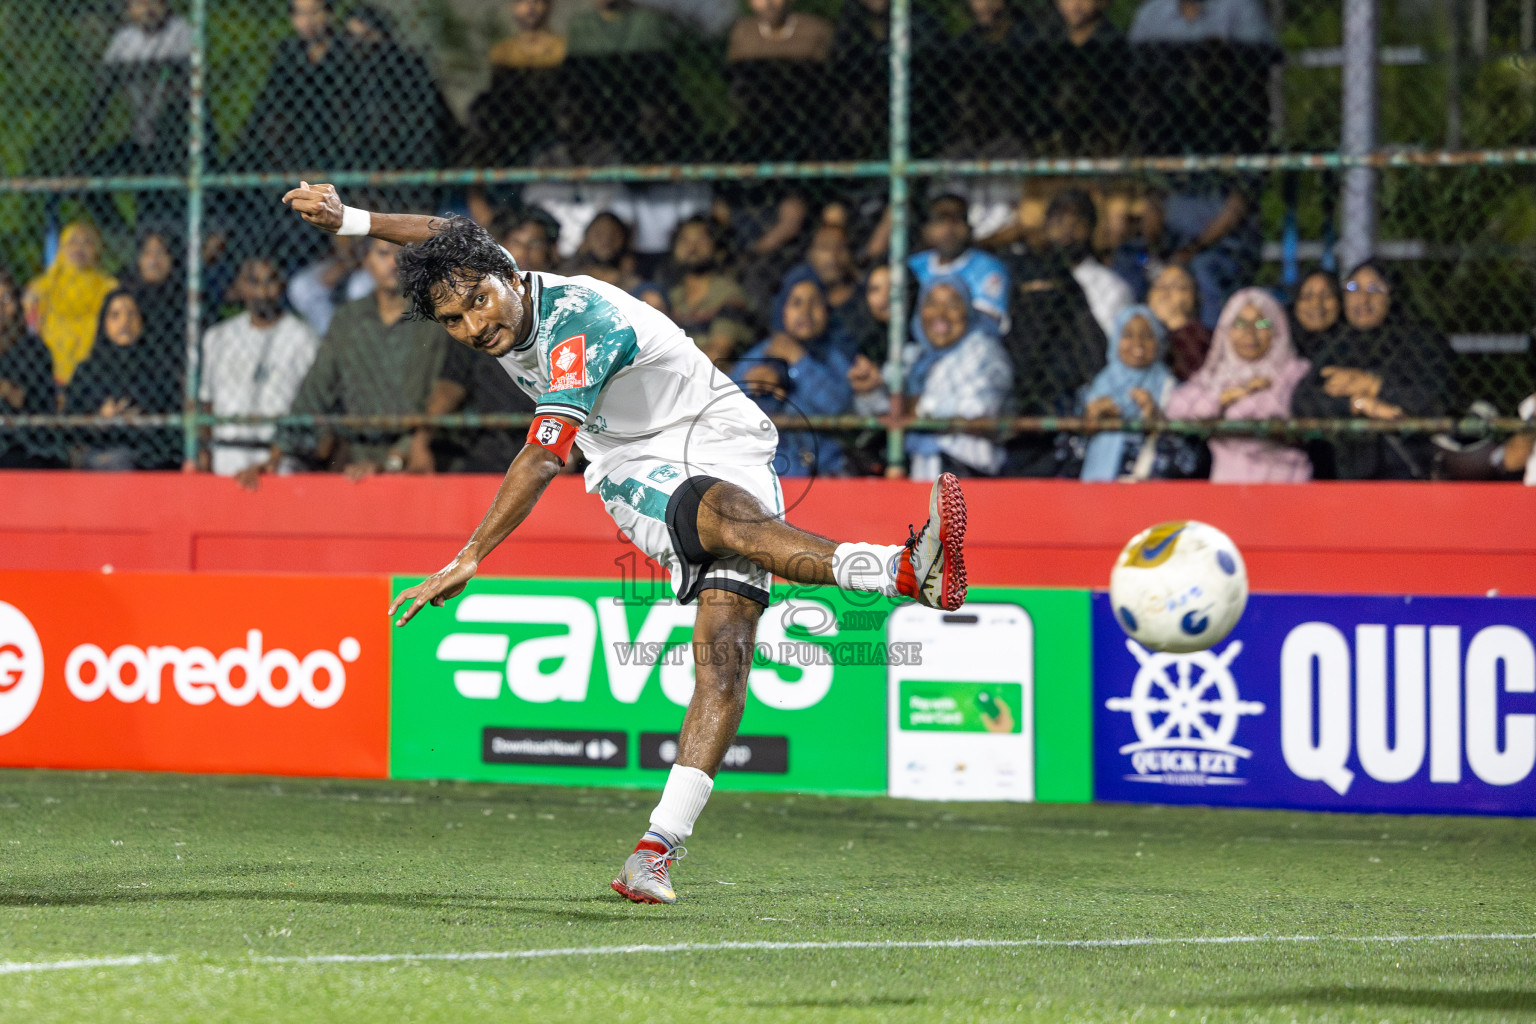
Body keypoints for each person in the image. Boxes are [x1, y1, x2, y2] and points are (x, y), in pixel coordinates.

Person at [279, 182, 970, 905]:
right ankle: (900, 571)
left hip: (722, 430)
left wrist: (470, 554)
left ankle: (654, 852)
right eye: (452, 320)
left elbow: (542, 456)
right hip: (634, 462)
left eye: (477, 303)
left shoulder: (579, 322)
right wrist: (352, 220)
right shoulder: (491, 274)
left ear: (507, 275)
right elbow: (442, 231)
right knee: (722, 530)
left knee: (725, 656)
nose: (474, 326)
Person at [236, 236, 450, 486]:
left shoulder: (434, 321)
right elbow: (315, 390)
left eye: (401, 254)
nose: (393, 263)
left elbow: (443, 396)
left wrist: (398, 457)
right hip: (357, 455)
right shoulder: (348, 319)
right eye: (383, 253)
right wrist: (276, 455)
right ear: (366, 261)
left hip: (420, 456)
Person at [1293, 260, 1454, 480]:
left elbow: (1437, 400)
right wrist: (1359, 404)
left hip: (1408, 472)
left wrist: (1373, 385)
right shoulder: (1336, 344)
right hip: (1344, 475)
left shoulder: (1420, 341)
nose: (1362, 299)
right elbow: (1302, 401)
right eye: (1353, 288)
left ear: (1392, 295)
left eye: (1374, 288)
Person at [1166, 288, 1311, 481]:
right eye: (1240, 323)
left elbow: (1269, 421)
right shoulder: (1216, 374)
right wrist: (1228, 396)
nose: (1250, 332)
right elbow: (1174, 408)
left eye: (1262, 323)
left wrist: (1224, 416)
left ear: (1277, 329)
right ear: (1226, 330)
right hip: (1228, 483)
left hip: (1286, 482)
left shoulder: (1294, 372)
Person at [196, 258, 320, 477]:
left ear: (281, 285)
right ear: (240, 286)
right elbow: (207, 404)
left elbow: (312, 407)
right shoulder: (218, 337)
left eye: (270, 281)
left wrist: (276, 458)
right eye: (253, 282)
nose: (262, 291)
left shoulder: (303, 338)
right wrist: (204, 457)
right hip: (225, 459)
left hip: (279, 464)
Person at [733, 277, 855, 476]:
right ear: (782, 311)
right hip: (772, 471)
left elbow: (837, 406)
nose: (806, 311)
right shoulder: (761, 354)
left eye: (815, 303)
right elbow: (728, 404)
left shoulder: (835, 355)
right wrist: (755, 387)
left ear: (827, 311)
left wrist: (799, 360)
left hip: (826, 469)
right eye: (796, 303)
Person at [900, 278, 1014, 480]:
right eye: (931, 303)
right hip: (924, 470)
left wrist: (919, 408)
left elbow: (979, 408)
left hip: (969, 473)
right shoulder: (916, 359)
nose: (940, 314)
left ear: (967, 312)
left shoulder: (984, 351)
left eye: (952, 305)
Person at [65, 289, 179, 470]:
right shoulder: (87, 370)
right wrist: (100, 419)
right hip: (101, 452)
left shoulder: (159, 368)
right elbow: (70, 423)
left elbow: (173, 422)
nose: (124, 322)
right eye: (115, 315)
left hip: (151, 454)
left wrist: (142, 420)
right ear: (104, 323)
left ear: (142, 321)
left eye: (131, 314)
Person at [1078, 305, 1187, 481]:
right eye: (1128, 335)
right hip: (1098, 478)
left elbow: (1181, 445)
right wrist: (1093, 416)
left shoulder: (1170, 386)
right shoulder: (1101, 383)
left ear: (1158, 341)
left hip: (1147, 477)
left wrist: (1154, 415)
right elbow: (1077, 438)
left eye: (1147, 335)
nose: (1138, 343)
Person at [24, 222, 119, 386]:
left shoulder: (109, 287)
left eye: (87, 243)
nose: (79, 248)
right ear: (62, 248)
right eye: (72, 242)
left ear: (97, 251)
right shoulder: (41, 287)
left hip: (95, 371)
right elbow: (31, 329)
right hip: (48, 372)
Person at [908, 195, 1010, 331]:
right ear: (926, 230)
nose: (948, 229)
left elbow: (988, 324)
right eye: (940, 220)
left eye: (957, 220)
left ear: (969, 228)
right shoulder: (913, 265)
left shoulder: (988, 267)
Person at [1044, 190, 1131, 344]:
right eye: (1059, 220)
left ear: (1090, 227)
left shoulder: (1111, 287)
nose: (1066, 230)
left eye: (1075, 222)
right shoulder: (1033, 278)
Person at [666, 217, 754, 365]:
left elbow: (717, 353)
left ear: (716, 247)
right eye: (684, 240)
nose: (692, 247)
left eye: (701, 240)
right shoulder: (671, 296)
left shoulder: (729, 293)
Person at [0, 269, 62, 468]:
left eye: (6, 299)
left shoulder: (33, 349)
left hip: (23, 442)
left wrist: (9, 391)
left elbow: (35, 402)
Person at [286, 235, 376, 337]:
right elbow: (345, 253)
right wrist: (348, 261)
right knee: (299, 287)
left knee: (358, 287)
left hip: (367, 271)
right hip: (343, 264)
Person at [1146, 263, 1211, 381]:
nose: (1164, 293)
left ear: (1192, 296)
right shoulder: (1140, 337)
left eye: (1176, 286)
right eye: (1159, 285)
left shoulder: (1204, 340)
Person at [1290, 267, 1344, 355]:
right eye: (1307, 296)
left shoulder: (1356, 345)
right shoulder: (1277, 339)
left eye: (1326, 295)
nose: (1316, 303)